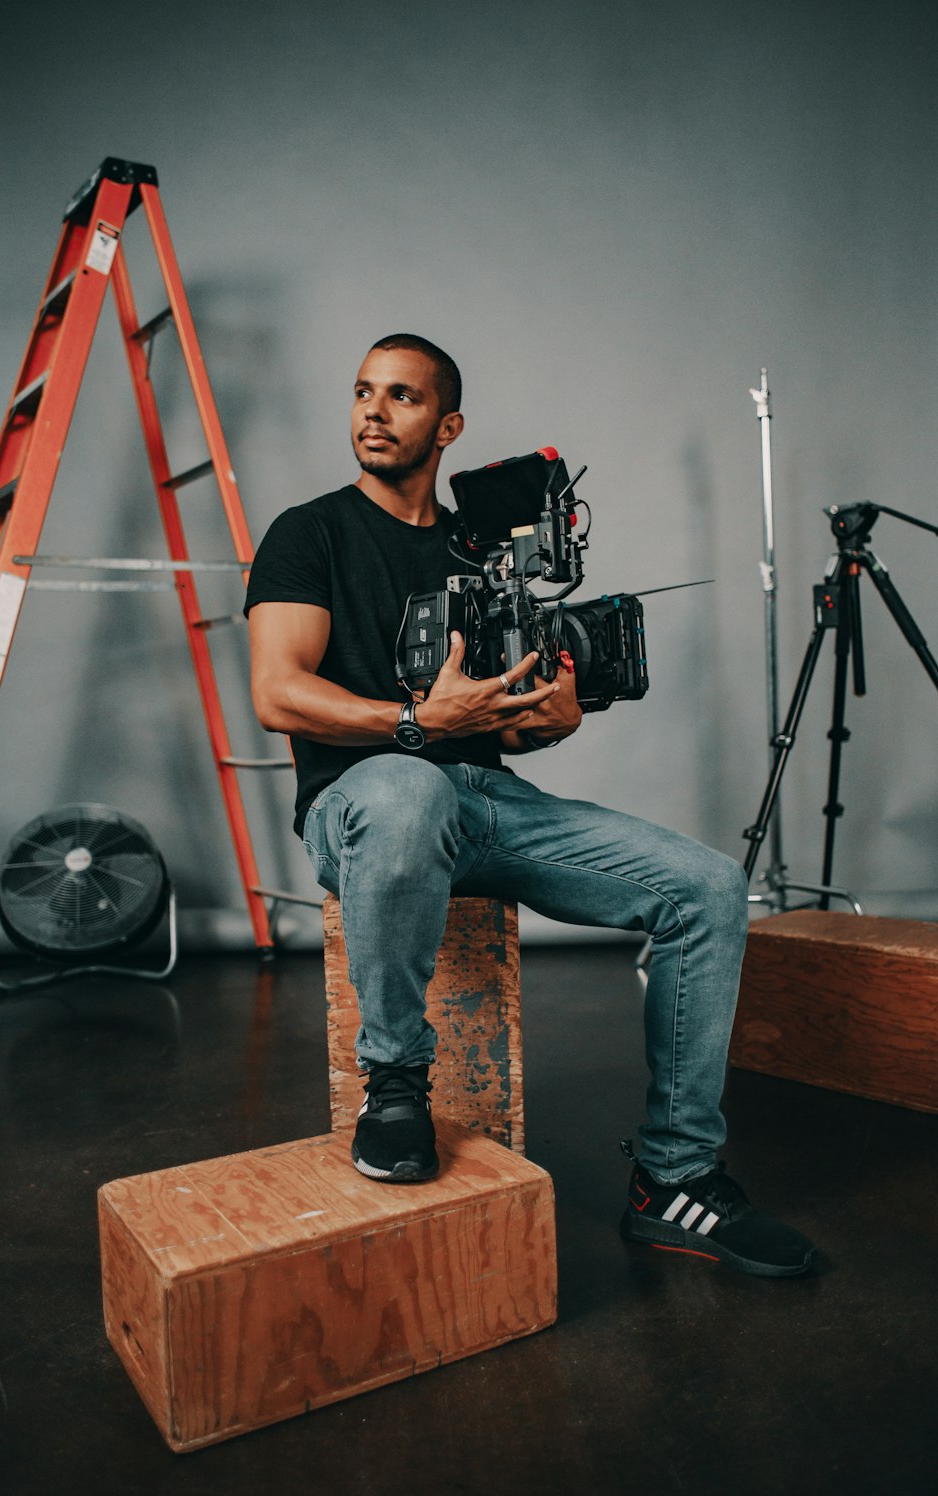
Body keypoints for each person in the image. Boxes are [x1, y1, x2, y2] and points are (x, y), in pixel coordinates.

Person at [245, 333, 816, 1279]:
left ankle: (675, 1180)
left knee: (708, 889)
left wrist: (548, 720)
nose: (373, 412)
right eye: (362, 392)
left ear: (449, 425)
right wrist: (419, 721)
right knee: (410, 784)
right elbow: (278, 693)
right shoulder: (311, 532)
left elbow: (501, 723)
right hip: (364, 799)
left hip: (482, 800)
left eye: (402, 397)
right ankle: (394, 1088)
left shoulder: (485, 551)